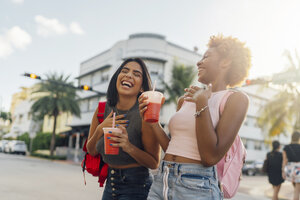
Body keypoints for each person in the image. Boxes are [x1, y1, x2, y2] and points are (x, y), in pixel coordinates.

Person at [139, 34, 251, 199]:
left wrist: (202, 105)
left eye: (206, 57)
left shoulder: (235, 99)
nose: (199, 62)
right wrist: (153, 122)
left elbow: (209, 157)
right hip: (162, 180)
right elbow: (172, 147)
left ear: (225, 62)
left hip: (196, 186)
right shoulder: (185, 100)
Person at [86, 58, 160, 200]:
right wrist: (100, 129)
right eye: (124, 71)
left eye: (136, 74)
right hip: (110, 184)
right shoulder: (102, 109)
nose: (129, 75)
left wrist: (128, 146)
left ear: (142, 87)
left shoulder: (145, 114)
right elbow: (91, 150)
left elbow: (154, 162)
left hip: (137, 187)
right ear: (117, 78)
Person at [282, 131, 300, 200]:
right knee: (297, 190)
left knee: (296, 188)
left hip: (290, 169)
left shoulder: (286, 147)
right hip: (298, 169)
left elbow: (284, 161)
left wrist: (283, 171)